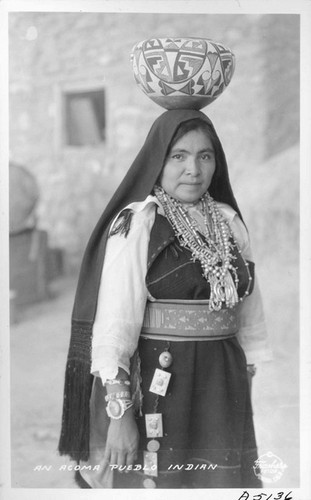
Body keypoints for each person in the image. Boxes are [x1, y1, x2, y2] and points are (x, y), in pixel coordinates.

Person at [58, 108, 272, 489]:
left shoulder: (228, 221)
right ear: (158, 162)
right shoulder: (139, 222)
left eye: (205, 156)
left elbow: (248, 312)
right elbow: (115, 324)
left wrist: (247, 375)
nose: (193, 169)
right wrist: (120, 414)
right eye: (179, 156)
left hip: (224, 381)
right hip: (163, 380)